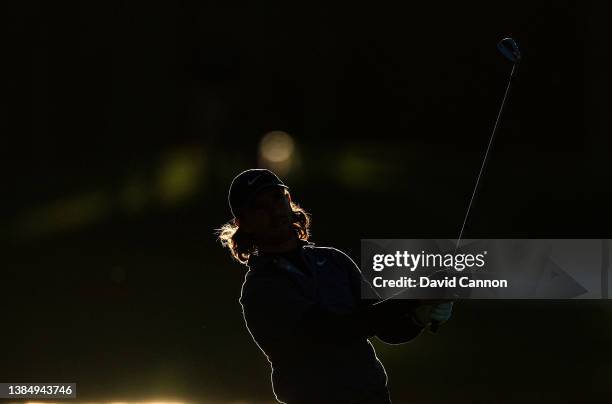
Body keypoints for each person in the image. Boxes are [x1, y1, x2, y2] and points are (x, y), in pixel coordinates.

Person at [217, 168, 453, 404]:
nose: (274, 210)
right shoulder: (261, 288)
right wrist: (414, 297)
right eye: (260, 206)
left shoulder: (334, 260)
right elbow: (335, 331)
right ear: (243, 223)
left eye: (278, 198)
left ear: (289, 201)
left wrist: (419, 317)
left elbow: (387, 330)